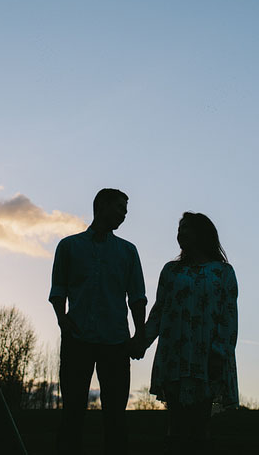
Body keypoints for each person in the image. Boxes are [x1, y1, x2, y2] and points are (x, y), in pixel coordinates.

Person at [49, 188, 147, 455]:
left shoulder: (128, 251)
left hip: (115, 343)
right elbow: (58, 290)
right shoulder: (69, 246)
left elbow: (137, 296)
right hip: (77, 340)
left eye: (125, 210)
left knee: (115, 415)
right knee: (72, 413)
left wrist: (140, 335)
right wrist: (62, 320)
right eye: (119, 208)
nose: (124, 215)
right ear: (101, 206)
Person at [132, 212, 238, 454]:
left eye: (186, 228)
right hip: (175, 355)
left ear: (202, 233)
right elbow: (159, 311)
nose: (180, 234)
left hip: (207, 356)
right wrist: (142, 342)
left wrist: (220, 353)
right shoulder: (171, 271)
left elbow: (228, 316)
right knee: (176, 423)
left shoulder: (223, 272)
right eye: (179, 229)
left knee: (201, 424)